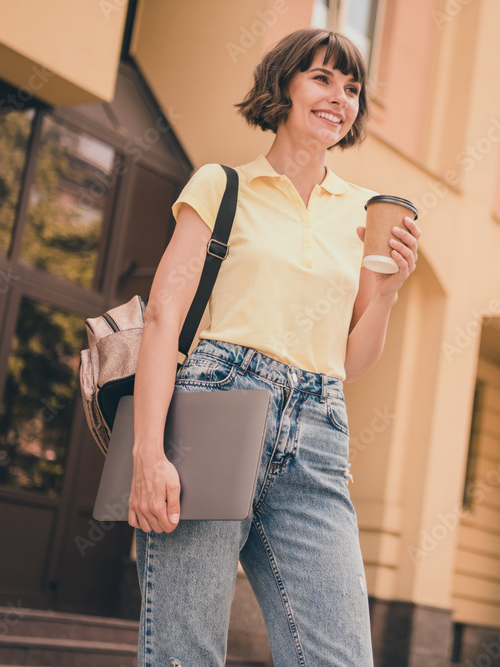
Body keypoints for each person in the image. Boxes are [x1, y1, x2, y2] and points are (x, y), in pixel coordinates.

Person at [126, 27, 420, 667]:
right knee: (186, 652)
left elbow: (349, 363)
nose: (339, 97)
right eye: (322, 78)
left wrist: (391, 293)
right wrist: (149, 454)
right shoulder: (221, 186)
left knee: (339, 657)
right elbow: (164, 321)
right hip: (217, 406)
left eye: (352, 88)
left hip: (319, 427)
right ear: (283, 86)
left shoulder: (362, 213)